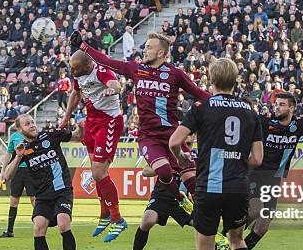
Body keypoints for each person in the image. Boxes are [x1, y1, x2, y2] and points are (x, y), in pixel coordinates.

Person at [169, 58, 264, 250]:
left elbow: (175, 141)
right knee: (237, 241)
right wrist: (236, 159)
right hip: (237, 187)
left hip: (209, 187)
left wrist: (182, 157)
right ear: (236, 80)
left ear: (211, 80)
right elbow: (257, 158)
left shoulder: (201, 107)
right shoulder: (249, 111)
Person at [70, 30, 210, 209]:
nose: (144, 50)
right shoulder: (137, 69)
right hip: (149, 137)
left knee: (195, 185)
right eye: (145, 47)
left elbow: (199, 93)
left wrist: (224, 101)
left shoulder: (175, 74)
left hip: (173, 134)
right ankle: (179, 198)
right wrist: (83, 45)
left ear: (161, 53)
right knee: (164, 172)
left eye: (149, 48)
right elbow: (107, 62)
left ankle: (211, 228)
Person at [221, 93, 303, 250]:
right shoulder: (264, 123)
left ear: (291, 108)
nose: (277, 107)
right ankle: (227, 245)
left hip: (274, 179)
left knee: (263, 227)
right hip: (255, 174)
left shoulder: (299, 125)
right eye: (276, 104)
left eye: (282, 105)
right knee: (256, 209)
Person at [3, 114, 85, 250]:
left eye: (33, 122)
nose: (32, 125)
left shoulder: (50, 135)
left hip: (62, 190)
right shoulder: (23, 148)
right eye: (27, 124)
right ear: (19, 130)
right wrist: (18, 156)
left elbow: (77, 136)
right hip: (43, 196)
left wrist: (81, 127)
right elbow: (7, 175)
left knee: (63, 224)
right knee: (39, 228)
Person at [58, 50, 126, 242]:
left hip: (109, 122)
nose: (72, 71)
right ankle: (105, 214)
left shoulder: (101, 71)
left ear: (87, 66)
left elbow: (115, 84)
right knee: (96, 171)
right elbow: (76, 94)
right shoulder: (79, 75)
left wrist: (112, 89)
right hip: (92, 123)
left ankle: (117, 218)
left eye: (76, 68)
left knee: (98, 172)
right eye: (71, 68)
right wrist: (66, 117)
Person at [124, 171, 193, 250]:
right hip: (160, 198)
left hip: (181, 201)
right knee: (148, 221)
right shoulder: (163, 157)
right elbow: (145, 171)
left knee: (202, 225)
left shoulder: (190, 158)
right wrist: (165, 169)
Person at [0, 126, 37, 238]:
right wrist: (3, 170)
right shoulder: (14, 136)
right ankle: (9, 231)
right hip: (17, 170)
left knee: (34, 199)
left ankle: (39, 227)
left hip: (31, 170)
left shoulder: (32, 136)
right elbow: (8, 153)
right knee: (14, 200)